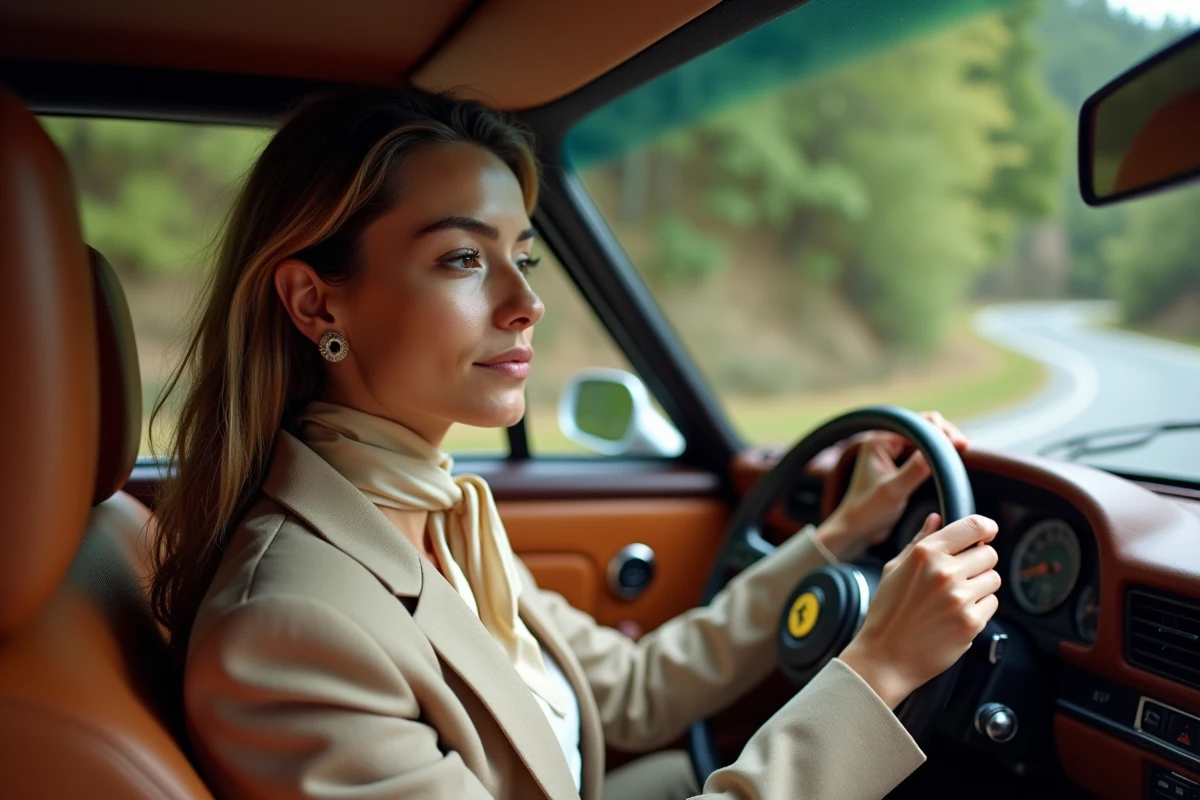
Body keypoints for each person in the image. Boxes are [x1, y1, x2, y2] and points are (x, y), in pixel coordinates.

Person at [149, 87, 1001, 800]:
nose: (526, 301)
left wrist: (840, 533)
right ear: (314, 304)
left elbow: (631, 694)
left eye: (524, 255)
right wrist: (881, 667)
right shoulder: (290, 630)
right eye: (460, 258)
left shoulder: (438, 516)